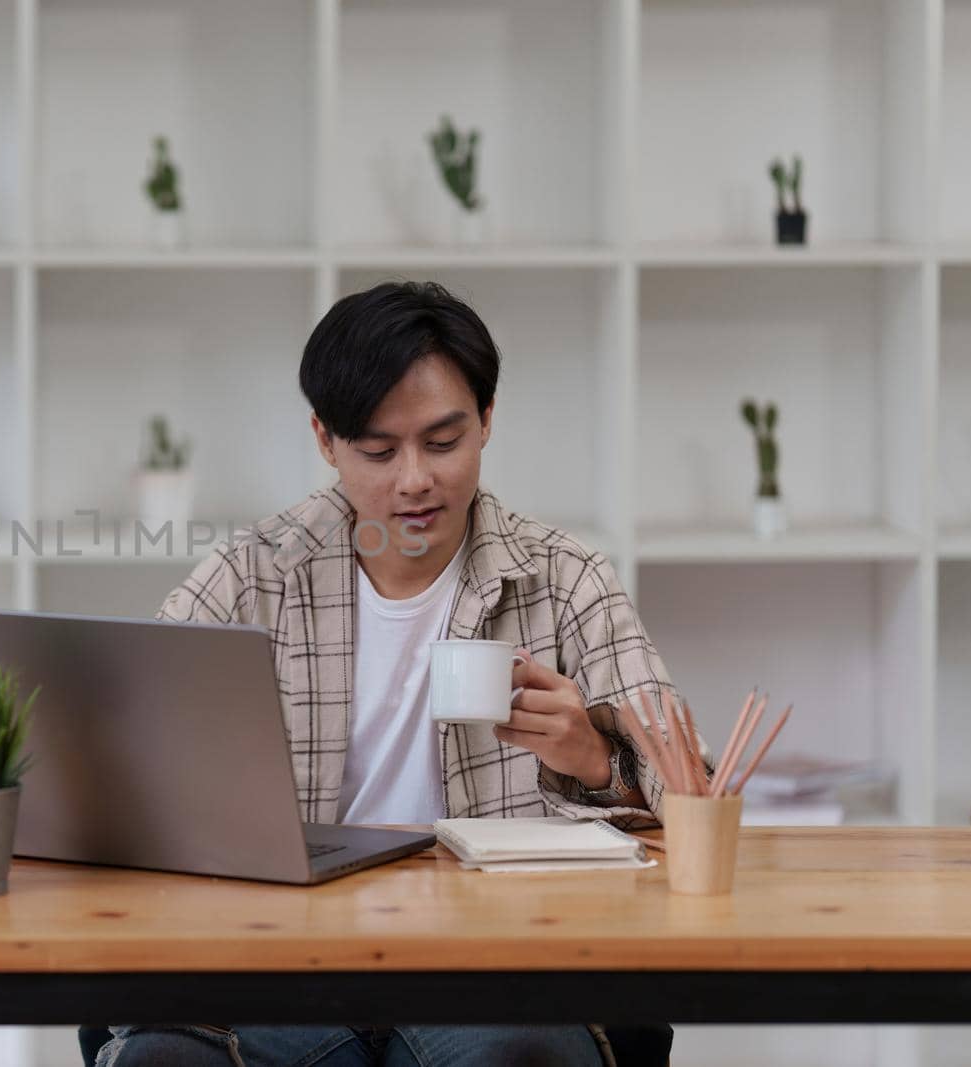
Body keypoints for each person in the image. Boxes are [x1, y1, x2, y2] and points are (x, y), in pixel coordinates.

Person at [91, 280, 691, 1067]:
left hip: (496, 970)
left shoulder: (566, 578)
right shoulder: (252, 575)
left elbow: (696, 797)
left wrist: (594, 760)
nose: (414, 480)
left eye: (444, 442)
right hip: (284, 971)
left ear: (487, 421)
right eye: (378, 451)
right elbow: (124, 750)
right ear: (324, 439)